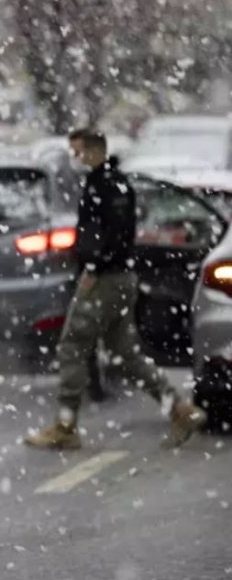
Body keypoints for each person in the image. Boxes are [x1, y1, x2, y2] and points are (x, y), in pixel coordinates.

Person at [25, 129, 207, 450]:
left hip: (105, 279)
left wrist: (94, 267)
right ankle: (179, 409)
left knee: (72, 345)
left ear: (93, 151)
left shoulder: (104, 186)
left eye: (78, 152)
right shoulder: (112, 182)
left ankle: (66, 425)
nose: (74, 159)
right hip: (119, 276)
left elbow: (108, 234)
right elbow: (115, 232)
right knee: (125, 353)